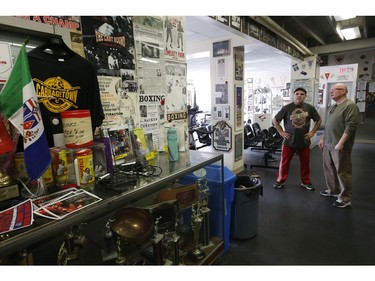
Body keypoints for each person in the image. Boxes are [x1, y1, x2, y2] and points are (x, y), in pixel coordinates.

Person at [318, 83, 360, 208]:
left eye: (335, 90)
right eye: (331, 90)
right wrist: (322, 138)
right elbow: (329, 125)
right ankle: (333, 190)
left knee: (342, 171)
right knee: (329, 169)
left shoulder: (350, 106)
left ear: (344, 91)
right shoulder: (333, 106)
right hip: (328, 144)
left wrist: (341, 143)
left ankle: (345, 198)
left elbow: (351, 126)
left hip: (339, 145)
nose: (331, 92)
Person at [272, 87, 322, 190]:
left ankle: (306, 181)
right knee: (284, 163)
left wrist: (312, 132)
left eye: (302, 94)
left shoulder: (309, 108)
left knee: (305, 163)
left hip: (304, 140)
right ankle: (280, 180)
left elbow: (319, 120)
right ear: (294, 95)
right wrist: (281, 132)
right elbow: (275, 120)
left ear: (305, 96)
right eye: (297, 93)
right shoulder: (286, 108)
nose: (299, 95)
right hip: (289, 141)